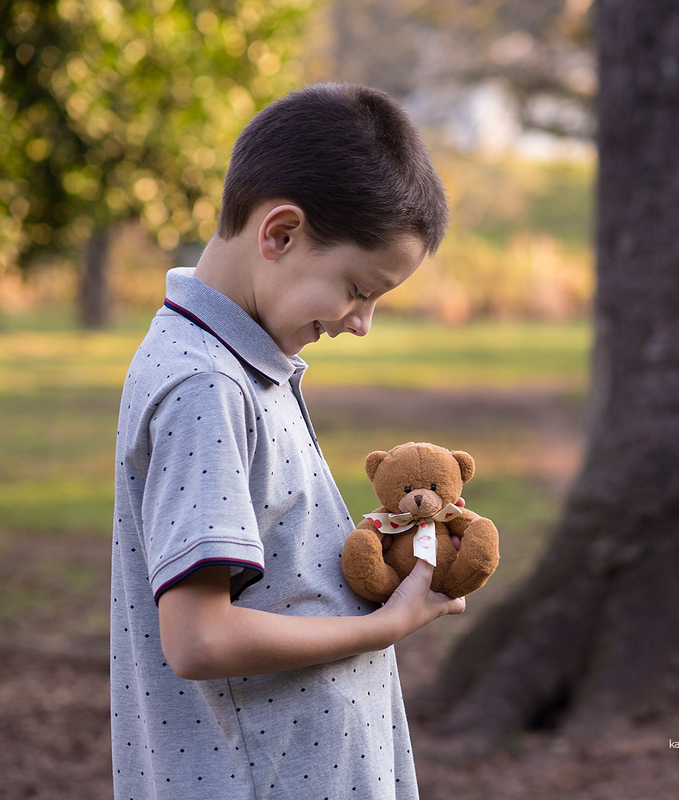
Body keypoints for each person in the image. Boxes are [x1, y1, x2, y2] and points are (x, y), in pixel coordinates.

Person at [110, 83, 460, 799]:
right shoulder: (207, 387)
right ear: (280, 234)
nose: (362, 322)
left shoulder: (238, 361)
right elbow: (199, 638)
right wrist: (383, 626)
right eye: (359, 289)